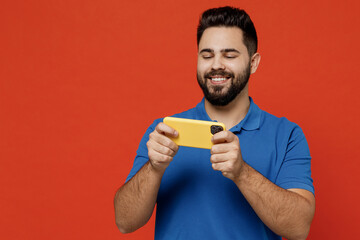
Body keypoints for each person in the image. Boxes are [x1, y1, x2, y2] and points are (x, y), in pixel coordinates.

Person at [114, 6, 315, 240]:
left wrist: (242, 173)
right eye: (207, 55)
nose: (216, 65)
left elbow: (299, 228)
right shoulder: (164, 131)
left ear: (253, 63)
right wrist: (153, 168)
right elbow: (124, 222)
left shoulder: (287, 135)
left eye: (229, 55)